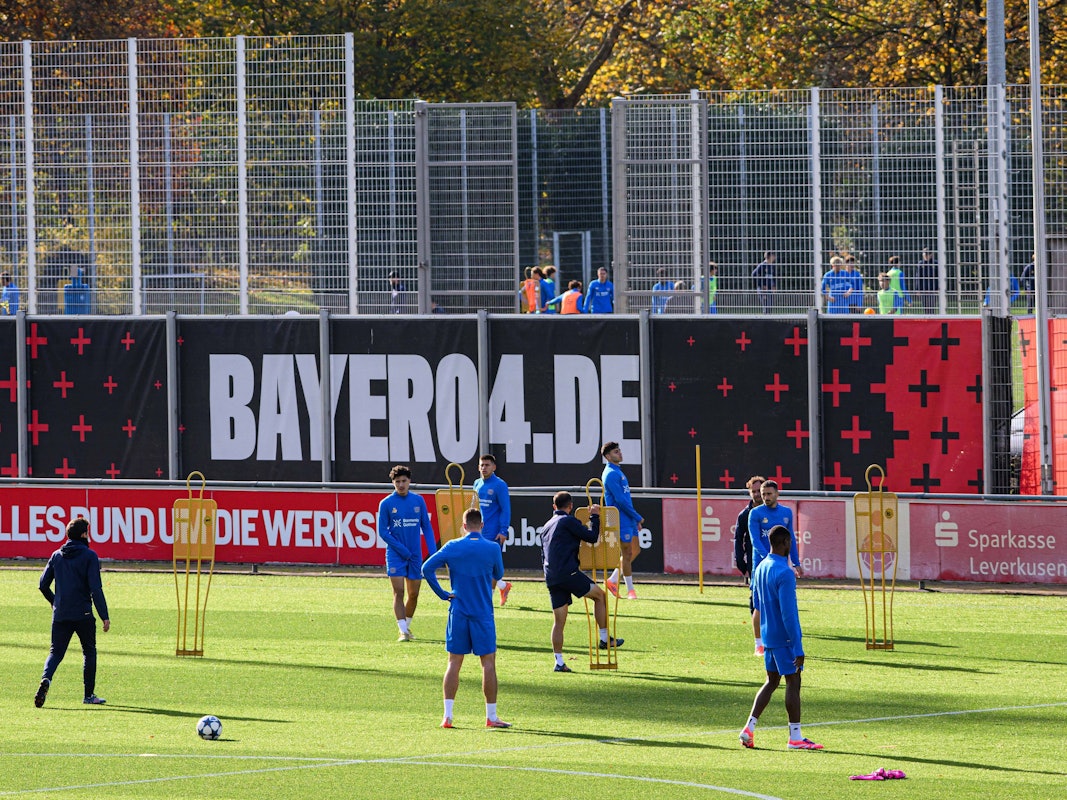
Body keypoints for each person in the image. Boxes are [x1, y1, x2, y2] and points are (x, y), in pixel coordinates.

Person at [422, 507, 511, 729]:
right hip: (482, 613)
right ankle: (491, 716)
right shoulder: (492, 548)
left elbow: (426, 568)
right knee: (488, 664)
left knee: (454, 662)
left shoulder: (453, 546)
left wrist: (443, 594)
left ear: (463, 526)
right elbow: (498, 575)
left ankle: (448, 716)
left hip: (458, 610)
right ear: (482, 525)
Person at [738, 525, 823, 751]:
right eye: (790, 543)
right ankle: (795, 736)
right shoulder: (785, 573)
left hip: (768, 635)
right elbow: (789, 613)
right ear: (785, 543)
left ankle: (749, 728)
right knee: (793, 681)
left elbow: (757, 606)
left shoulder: (761, 567)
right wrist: (797, 646)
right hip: (784, 638)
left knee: (772, 681)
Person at [541, 490, 622, 672]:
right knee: (600, 596)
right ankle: (604, 638)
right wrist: (594, 516)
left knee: (559, 621)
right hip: (567, 573)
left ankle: (559, 661)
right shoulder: (568, 520)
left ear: (554, 507)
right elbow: (592, 537)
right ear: (570, 507)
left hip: (551, 576)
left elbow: (543, 553)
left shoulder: (547, 525)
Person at [35, 517, 111, 707]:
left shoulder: (57, 555)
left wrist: (55, 603)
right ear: (83, 534)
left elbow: (42, 585)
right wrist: (104, 615)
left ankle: (46, 679)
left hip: (60, 614)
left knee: (56, 652)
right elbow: (96, 589)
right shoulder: (90, 556)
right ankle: (88, 695)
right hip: (83, 614)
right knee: (89, 652)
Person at [377, 465, 438, 641]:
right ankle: (402, 631)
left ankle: (406, 627)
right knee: (398, 592)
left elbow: (426, 526)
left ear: (409, 481)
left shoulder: (418, 501)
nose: (401, 485)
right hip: (396, 554)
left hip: (415, 555)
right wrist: (401, 549)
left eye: (404, 481)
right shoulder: (386, 503)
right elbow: (383, 532)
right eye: (397, 482)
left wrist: (433, 553)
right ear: (393, 483)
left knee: (414, 594)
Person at [747, 479, 802, 656]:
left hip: (781, 567)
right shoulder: (755, 513)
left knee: (783, 604)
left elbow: (790, 539)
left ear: (777, 494)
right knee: (759, 605)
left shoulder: (786, 513)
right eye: (763, 494)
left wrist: (796, 562)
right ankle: (758, 644)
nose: (765, 497)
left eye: (769, 494)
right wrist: (767, 560)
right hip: (762, 566)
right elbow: (755, 540)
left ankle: (781, 641)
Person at [601, 441, 643, 600]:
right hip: (618, 517)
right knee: (626, 552)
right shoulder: (611, 474)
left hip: (627, 516)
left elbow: (625, 499)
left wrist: (634, 517)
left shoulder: (618, 472)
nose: (620, 453)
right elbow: (619, 499)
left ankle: (612, 580)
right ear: (608, 456)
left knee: (635, 550)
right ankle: (630, 591)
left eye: (619, 451)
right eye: (616, 452)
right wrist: (637, 516)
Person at [473, 454, 513, 606]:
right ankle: (503, 586)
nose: (484, 468)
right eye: (481, 465)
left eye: (487, 465)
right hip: (478, 531)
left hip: (494, 532)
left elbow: (505, 509)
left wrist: (503, 530)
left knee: (490, 565)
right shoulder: (476, 483)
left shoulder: (499, 485)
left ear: (494, 467)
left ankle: (487, 600)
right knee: (480, 564)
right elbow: (474, 507)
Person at [733, 475, 765, 653]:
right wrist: (740, 561)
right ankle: (758, 635)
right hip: (754, 560)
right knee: (755, 596)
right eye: (753, 491)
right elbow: (739, 539)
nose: (756, 495)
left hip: (772, 559)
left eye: (758, 491)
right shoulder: (745, 514)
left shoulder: (774, 511)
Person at [915, 247, 938, 313]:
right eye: (925, 254)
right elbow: (918, 277)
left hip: (932, 289)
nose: (926, 256)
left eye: (928, 254)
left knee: (932, 307)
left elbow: (937, 276)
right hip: (923, 289)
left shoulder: (935, 263)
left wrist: (937, 288)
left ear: (931, 255)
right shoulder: (920, 264)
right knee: (925, 307)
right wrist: (918, 290)